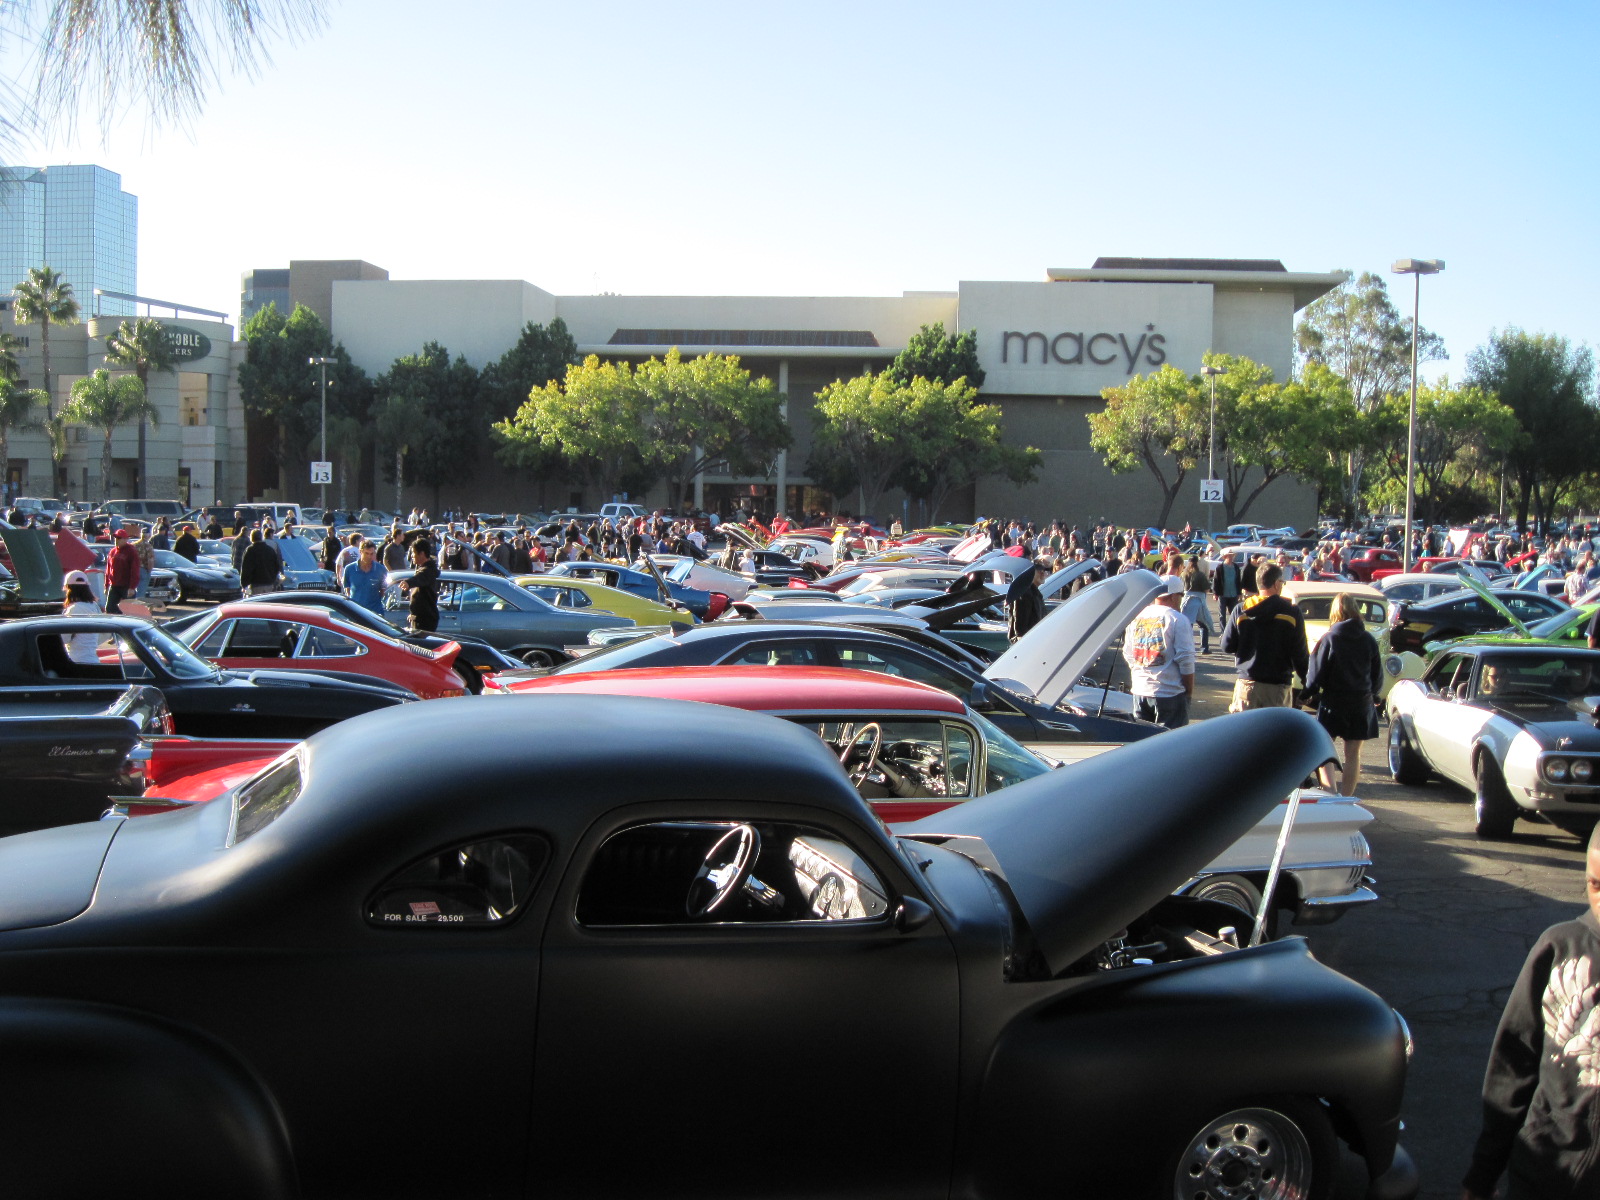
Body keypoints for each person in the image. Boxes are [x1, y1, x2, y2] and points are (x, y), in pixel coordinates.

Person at [1461, 822, 1600, 1200]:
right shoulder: (1559, 948)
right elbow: (1513, 1065)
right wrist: (1482, 1175)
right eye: (1595, 885)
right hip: (1543, 1169)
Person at [1302, 592, 1382, 794]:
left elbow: (1316, 673)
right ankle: (1346, 796)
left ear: (1335, 612)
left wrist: (1306, 693)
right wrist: (1374, 693)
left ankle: (1330, 792)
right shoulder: (1368, 639)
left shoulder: (1329, 639)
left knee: (1323, 749)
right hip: (1361, 702)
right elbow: (1377, 674)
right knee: (1353, 754)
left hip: (1334, 702)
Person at [1221, 561, 1309, 711]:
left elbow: (1227, 646)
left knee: (1245, 733)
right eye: (1282, 582)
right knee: (1274, 733)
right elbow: (1299, 652)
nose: (1282, 585)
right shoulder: (1291, 612)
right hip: (1278, 685)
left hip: (1247, 683)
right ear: (1276, 584)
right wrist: (1307, 682)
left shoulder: (1241, 610)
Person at [1121, 574, 1195, 729]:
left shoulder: (1137, 617)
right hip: (1169, 692)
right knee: (1171, 744)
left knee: (1142, 741)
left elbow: (1128, 654)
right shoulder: (1177, 619)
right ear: (1174, 596)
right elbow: (1186, 659)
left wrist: (1141, 672)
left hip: (1140, 689)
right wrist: (1188, 690)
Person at [399, 540, 440, 633]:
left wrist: (408, 583)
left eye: (413, 553)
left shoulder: (428, 570)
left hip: (426, 619)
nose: (412, 556)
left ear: (421, 553)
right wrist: (413, 614)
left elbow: (420, 578)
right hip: (419, 617)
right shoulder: (422, 568)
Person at [61, 570, 101, 663]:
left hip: (77, 662)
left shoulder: (74, 609)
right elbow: (102, 634)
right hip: (94, 660)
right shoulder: (94, 606)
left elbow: (64, 638)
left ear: (69, 589)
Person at [342, 540, 388, 616]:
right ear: (360, 552)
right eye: (366, 553)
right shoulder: (350, 569)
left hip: (375, 612)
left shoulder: (381, 569)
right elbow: (347, 589)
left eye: (372, 554)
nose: (369, 557)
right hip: (356, 612)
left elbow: (383, 591)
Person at [1006, 561, 1046, 642]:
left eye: (1043, 571)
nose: (1042, 573)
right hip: (1027, 643)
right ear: (1029, 574)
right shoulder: (1024, 594)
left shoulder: (1035, 592)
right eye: (1038, 571)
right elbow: (1020, 628)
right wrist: (1022, 642)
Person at [1180, 555, 1214, 654]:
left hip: (1186, 600)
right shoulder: (1200, 575)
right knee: (1204, 625)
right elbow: (1207, 589)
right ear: (1197, 563)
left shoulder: (1183, 574)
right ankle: (1204, 648)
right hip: (1198, 601)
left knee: (1187, 625)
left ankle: (1187, 647)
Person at [104, 528, 140, 614]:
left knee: (129, 611)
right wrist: (106, 585)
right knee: (109, 609)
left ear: (125, 539)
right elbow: (108, 569)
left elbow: (134, 570)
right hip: (114, 585)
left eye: (119, 538)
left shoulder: (131, 551)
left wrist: (132, 587)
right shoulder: (112, 551)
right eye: (116, 538)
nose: (116, 540)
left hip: (126, 586)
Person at [239, 529, 281, 596]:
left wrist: (244, 584)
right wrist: (273, 580)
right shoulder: (270, 550)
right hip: (269, 584)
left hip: (255, 585)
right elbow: (277, 567)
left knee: (257, 605)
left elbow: (246, 569)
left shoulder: (250, 550)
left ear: (251, 538)